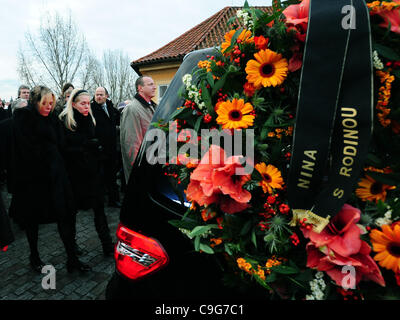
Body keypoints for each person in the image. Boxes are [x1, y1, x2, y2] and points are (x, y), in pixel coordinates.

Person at [8, 85, 90, 273]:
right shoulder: (23, 119)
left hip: (56, 177)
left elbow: (61, 145)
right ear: (35, 102)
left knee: (66, 216)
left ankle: (72, 259)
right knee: (32, 221)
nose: (48, 107)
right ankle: (34, 257)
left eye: (51, 104)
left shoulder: (53, 118)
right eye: (45, 103)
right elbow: (23, 152)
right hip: (33, 180)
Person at [59, 88, 114, 256]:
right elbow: (63, 149)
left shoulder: (90, 118)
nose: (86, 107)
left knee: (99, 209)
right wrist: (84, 146)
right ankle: (72, 248)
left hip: (93, 172)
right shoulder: (65, 120)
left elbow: (94, 141)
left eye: (88, 103)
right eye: (82, 103)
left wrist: (97, 149)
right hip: (74, 176)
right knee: (72, 215)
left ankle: (107, 244)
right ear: (73, 104)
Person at [120, 76, 157, 183]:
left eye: (154, 84)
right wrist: (138, 169)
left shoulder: (153, 107)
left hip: (153, 164)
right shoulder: (132, 109)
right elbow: (131, 143)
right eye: (150, 84)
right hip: (143, 167)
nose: (154, 87)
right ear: (140, 88)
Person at [91, 87, 121, 208]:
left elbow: (118, 122)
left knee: (112, 175)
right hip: (99, 149)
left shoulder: (111, 108)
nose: (98, 97)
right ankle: (100, 200)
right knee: (100, 177)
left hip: (112, 148)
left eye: (101, 94)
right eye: (96, 94)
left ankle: (113, 200)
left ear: (106, 95)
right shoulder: (91, 109)